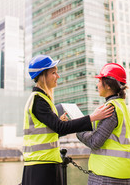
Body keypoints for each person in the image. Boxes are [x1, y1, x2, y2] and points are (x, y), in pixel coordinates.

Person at [21, 55, 114, 185]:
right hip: (41, 167)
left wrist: (60, 124)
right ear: (43, 76)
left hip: (45, 163)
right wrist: (92, 117)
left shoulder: (43, 99)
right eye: (53, 73)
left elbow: (53, 131)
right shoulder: (38, 100)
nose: (58, 76)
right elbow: (59, 127)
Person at [77, 63, 130, 185]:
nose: (97, 84)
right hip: (122, 172)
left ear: (108, 85)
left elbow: (95, 142)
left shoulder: (111, 108)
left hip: (106, 174)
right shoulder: (121, 106)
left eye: (100, 81)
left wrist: (78, 129)